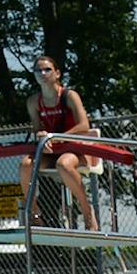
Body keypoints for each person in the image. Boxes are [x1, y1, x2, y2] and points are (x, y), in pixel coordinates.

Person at [26, 54, 100, 231]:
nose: (42, 73)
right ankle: (35, 212)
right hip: (51, 149)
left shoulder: (69, 96)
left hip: (75, 148)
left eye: (47, 69)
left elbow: (84, 125)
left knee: (64, 164)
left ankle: (88, 212)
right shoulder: (33, 102)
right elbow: (37, 129)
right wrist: (41, 135)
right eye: (38, 70)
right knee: (24, 165)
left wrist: (56, 137)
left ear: (57, 73)